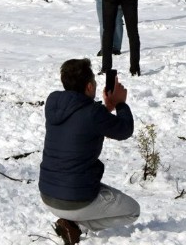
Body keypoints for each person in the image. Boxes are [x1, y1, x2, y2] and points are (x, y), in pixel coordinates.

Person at [39, 58, 139, 245]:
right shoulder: (93, 114)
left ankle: (70, 222)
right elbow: (125, 130)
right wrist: (120, 104)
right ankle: (76, 227)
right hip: (76, 199)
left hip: (47, 194)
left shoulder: (53, 102)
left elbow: (81, 120)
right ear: (89, 87)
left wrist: (105, 108)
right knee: (133, 210)